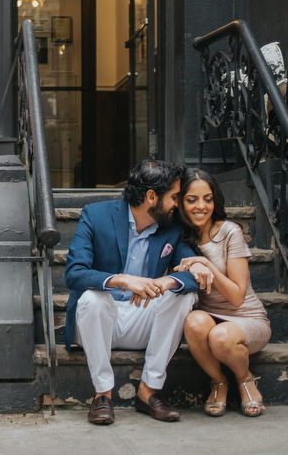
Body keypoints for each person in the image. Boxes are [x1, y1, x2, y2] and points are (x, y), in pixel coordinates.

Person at [64, 159, 213, 425]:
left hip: (142, 318)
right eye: (175, 197)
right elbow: (74, 274)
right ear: (151, 196)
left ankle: (148, 391)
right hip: (98, 322)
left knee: (183, 294)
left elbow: (190, 274)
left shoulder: (172, 228)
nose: (177, 204)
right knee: (92, 298)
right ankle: (103, 395)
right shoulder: (96, 216)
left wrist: (167, 282)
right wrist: (122, 281)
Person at [173, 167, 271, 418]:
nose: (200, 207)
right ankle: (218, 382)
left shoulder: (229, 232)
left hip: (247, 318)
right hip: (208, 315)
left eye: (208, 199)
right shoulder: (180, 236)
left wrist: (207, 265)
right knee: (193, 322)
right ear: (180, 202)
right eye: (191, 199)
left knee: (220, 336)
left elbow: (237, 296)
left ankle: (245, 379)